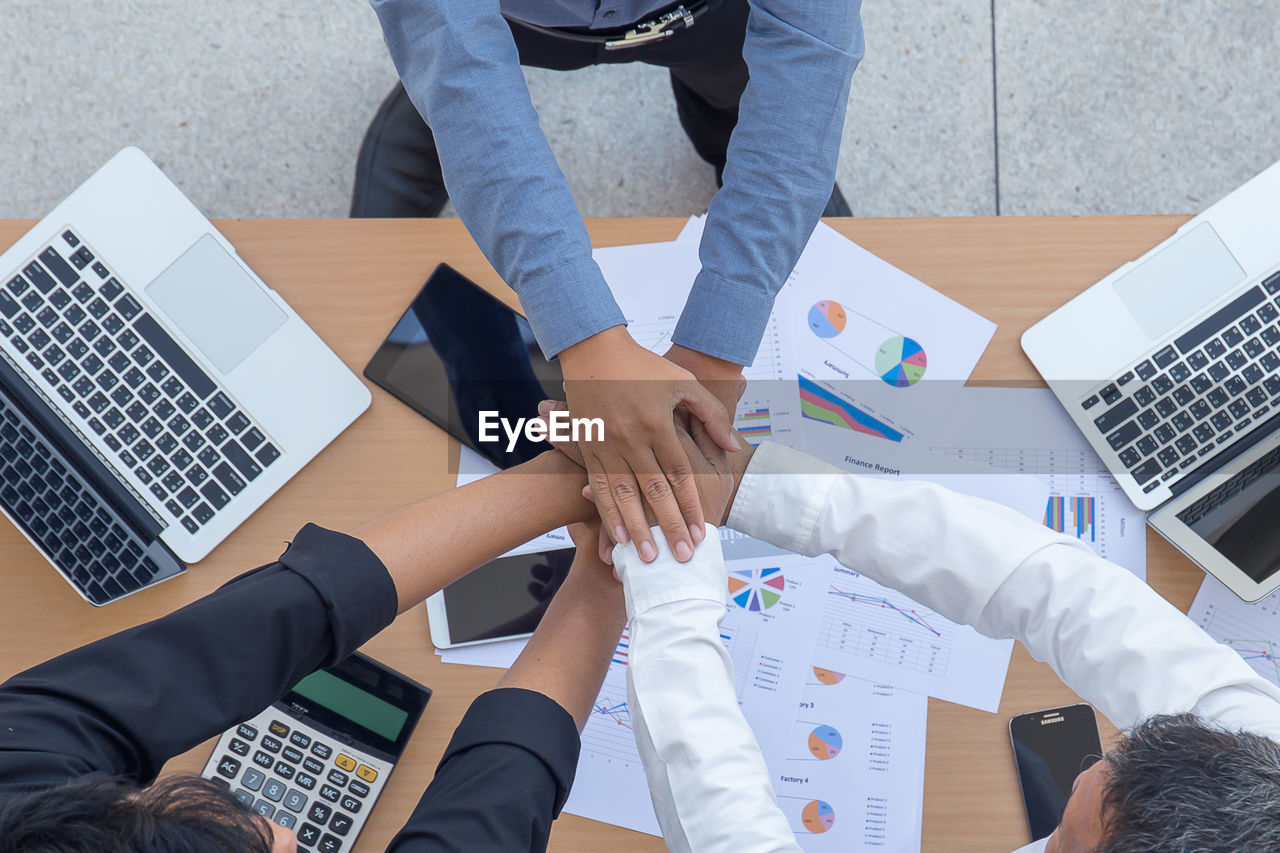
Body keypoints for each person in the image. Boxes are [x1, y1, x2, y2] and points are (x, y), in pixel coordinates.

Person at [586, 431, 1280, 851]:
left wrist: (668, 579)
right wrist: (757, 489)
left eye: (1066, 839)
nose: (1075, 776)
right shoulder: (1259, 758)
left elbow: (727, 828)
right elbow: (1057, 588)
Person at [357, 0, 865, 566]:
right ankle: (428, 120)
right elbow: (455, 52)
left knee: (737, 97)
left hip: (699, 14)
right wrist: (592, 344)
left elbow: (808, 54)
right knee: (459, 83)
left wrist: (714, 353)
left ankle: (727, 126)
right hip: (519, 16)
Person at [0, 449, 640, 853]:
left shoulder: (19, 793)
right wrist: (624, 558)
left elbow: (273, 620)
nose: (288, 832)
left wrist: (587, 471)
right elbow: (493, 806)